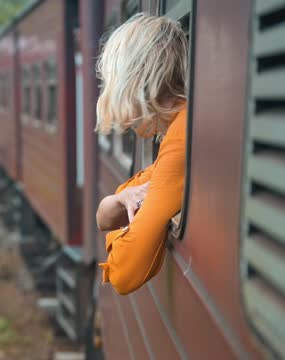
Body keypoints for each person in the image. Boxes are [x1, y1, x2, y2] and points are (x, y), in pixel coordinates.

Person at [95, 14, 188, 295]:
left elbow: (124, 274)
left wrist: (123, 224)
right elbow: (106, 217)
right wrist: (120, 200)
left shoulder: (182, 138)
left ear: (134, 79)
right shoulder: (181, 129)